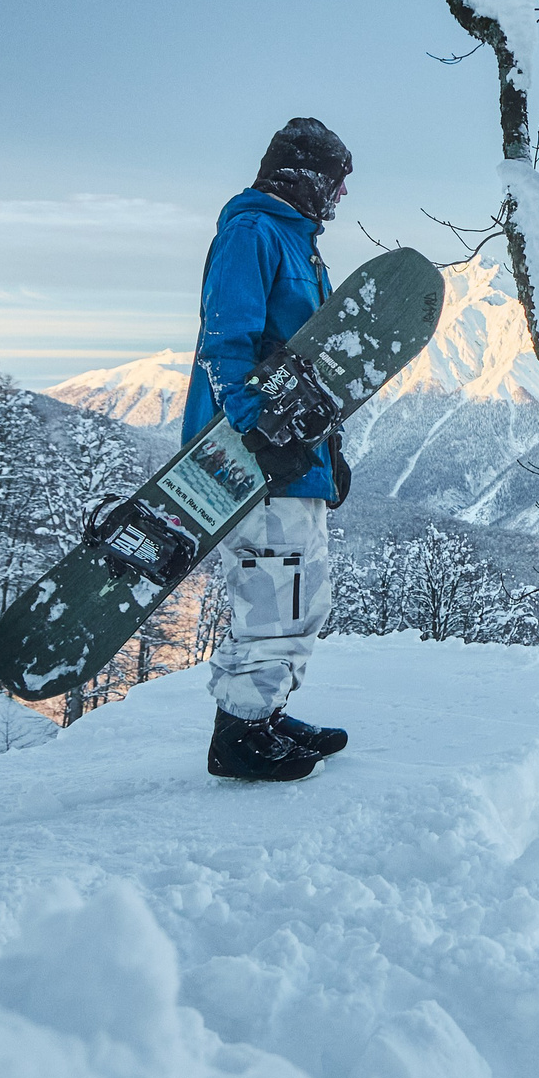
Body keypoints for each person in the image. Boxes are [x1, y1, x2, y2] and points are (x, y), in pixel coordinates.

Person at [187, 117, 357, 782]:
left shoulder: (300, 244)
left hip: (294, 456)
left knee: (304, 589)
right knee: (276, 589)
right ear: (306, 176)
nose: (339, 201)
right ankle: (239, 736)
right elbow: (227, 340)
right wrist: (257, 426)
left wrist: (326, 448)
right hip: (251, 456)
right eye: (335, 185)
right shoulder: (251, 232)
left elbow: (311, 362)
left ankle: (264, 711)